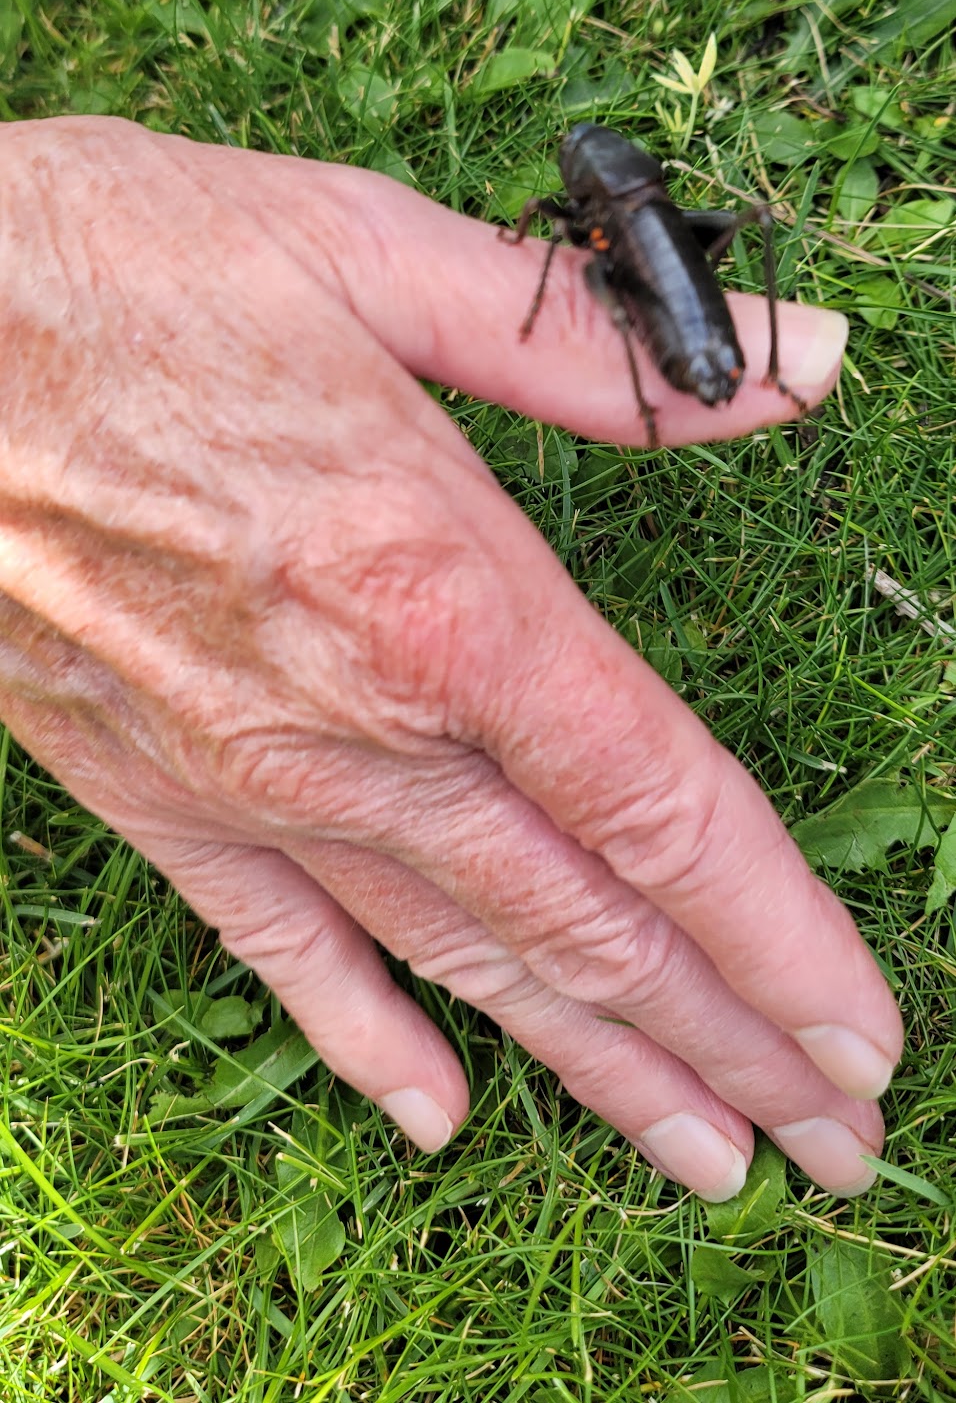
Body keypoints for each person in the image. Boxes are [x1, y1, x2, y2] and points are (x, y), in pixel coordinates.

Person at [0, 115, 901, 1202]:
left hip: (666, 301)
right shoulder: (621, 214)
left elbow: (551, 241)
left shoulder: (597, 222)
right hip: (664, 282)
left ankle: (721, 349)